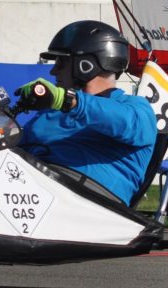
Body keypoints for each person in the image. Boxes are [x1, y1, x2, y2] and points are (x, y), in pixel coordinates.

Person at [16, 20, 157, 205]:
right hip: (33, 190)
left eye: (61, 62)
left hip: (92, 203)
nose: (53, 71)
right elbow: (16, 148)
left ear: (87, 65)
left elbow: (127, 122)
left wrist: (66, 100)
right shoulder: (50, 112)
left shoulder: (136, 108)